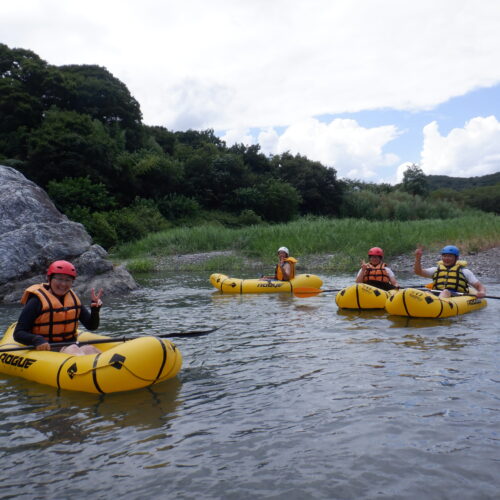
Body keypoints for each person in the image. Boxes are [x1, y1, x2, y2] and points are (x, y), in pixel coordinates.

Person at [13, 260, 104, 355]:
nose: (63, 284)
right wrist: (37, 340)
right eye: (59, 279)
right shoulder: (36, 301)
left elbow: (92, 326)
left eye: (68, 280)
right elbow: (18, 333)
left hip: (70, 344)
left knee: (90, 349)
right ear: (49, 279)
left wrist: (95, 310)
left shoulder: (73, 299)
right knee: (73, 350)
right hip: (47, 347)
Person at [414, 245, 486, 298]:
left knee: (445, 292)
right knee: (426, 292)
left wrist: (482, 292)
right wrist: (418, 258)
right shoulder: (436, 270)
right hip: (437, 294)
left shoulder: (464, 271)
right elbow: (418, 272)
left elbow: (479, 286)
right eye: (444, 256)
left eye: (450, 256)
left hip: (456, 296)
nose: (446, 258)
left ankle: (437, 305)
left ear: (456, 258)